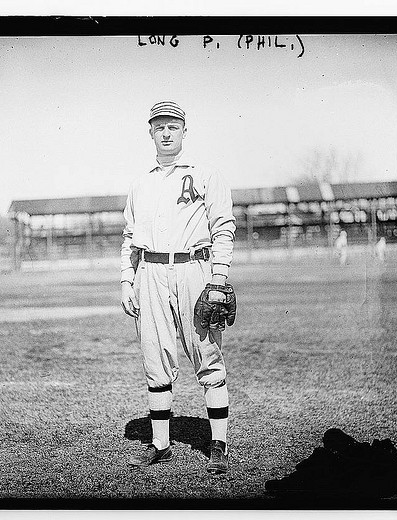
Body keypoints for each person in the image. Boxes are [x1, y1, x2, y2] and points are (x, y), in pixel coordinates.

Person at [120, 101, 237, 474]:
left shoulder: (205, 175)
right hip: (150, 272)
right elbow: (128, 238)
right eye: (159, 127)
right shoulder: (141, 183)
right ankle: (160, 444)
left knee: (207, 356)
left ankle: (217, 442)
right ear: (150, 133)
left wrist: (218, 278)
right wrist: (126, 280)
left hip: (194, 268)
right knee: (155, 359)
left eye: (173, 126)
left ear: (184, 131)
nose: (166, 132)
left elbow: (223, 227)